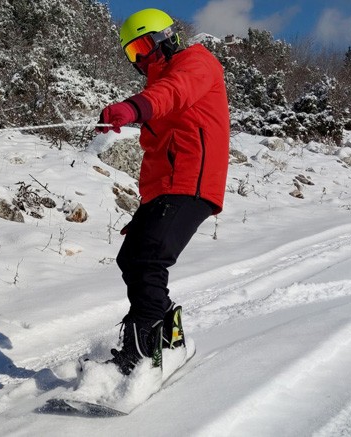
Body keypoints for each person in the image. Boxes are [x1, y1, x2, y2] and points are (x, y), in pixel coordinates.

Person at [96, 8, 229, 375]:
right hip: (165, 189)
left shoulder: (196, 63)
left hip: (192, 181)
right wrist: (147, 208)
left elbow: (174, 92)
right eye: (131, 53)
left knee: (149, 260)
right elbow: (159, 148)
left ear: (165, 38)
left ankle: (144, 355)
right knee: (131, 258)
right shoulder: (155, 88)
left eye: (142, 47)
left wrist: (132, 108)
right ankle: (167, 337)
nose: (139, 59)